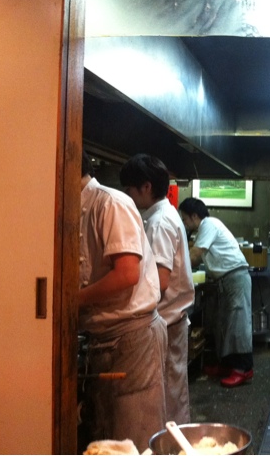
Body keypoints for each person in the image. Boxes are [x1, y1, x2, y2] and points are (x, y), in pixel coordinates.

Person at [78, 151, 167, 452]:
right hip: (107, 338)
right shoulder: (79, 207)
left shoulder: (110, 203)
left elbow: (127, 273)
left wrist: (72, 301)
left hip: (132, 339)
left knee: (134, 438)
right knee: (109, 439)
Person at [119, 153, 195, 424]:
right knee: (173, 392)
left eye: (129, 189)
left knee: (168, 397)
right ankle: (175, 442)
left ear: (146, 187)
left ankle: (172, 444)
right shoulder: (165, 214)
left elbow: (160, 282)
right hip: (173, 321)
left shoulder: (160, 222)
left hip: (167, 322)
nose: (127, 195)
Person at [178, 197, 254, 388]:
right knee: (225, 324)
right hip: (225, 280)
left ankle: (243, 369)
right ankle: (227, 365)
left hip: (235, 277)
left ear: (194, 216)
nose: (185, 223)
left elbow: (195, 256)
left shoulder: (209, 224)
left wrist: (174, 268)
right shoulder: (204, 229)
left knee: (237, 323)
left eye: (185, 219)